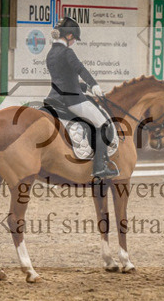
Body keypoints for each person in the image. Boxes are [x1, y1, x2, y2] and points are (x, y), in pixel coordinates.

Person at [45, 16, 118, 179]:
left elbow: (63, 78)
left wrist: (85, 88)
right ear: (69, 35)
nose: (73, 42)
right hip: (72, 100)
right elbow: (80, 69)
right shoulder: (67, 52)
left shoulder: (51, 53)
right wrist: (94, 84)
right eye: (74, 39)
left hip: (54, 98)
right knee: (103, 124)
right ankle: (99, 167)